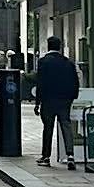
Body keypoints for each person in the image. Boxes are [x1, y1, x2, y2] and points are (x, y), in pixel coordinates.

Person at [34, 35, 81, 168]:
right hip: (65, 100)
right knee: (66, 125)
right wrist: (72, 97)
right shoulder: (68, 62)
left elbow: (40, 82)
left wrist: (38, 102)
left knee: (48, 128)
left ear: (48, 46)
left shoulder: (43, 62)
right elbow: (75, 81)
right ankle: (70, 155)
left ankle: (46, 157)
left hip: (48, 100)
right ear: (60, 47)